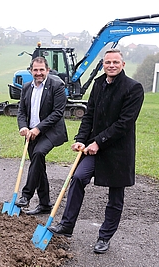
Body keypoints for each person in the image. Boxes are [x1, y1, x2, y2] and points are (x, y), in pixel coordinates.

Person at [47, 49, 144, 254]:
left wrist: (98, 142)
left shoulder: (134, 88)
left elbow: (124, 123)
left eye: (115, 62)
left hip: (118, 152)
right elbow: (89, 116)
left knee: (115, 196)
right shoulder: (98, 84)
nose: (111, 65)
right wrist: (81, 140)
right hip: (94, 148)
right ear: (102, 64)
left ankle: (104, 237)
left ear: (122, 65)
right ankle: (67, 225)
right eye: (107, 62)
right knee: (78, 178)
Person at [15, 56, 68, 215]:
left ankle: (26, 195)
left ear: (47, 70)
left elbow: (58, 113)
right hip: (31, 133)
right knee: (39, 167)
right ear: (30, 71)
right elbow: (21, 112)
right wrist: (23, 127)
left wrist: (38, 128)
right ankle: (45, 205)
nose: (38, 73)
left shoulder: (57, 86)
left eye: (41, 70)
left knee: (38, 153)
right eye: (35, 70)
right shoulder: (26, 87)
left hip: (50, 131)